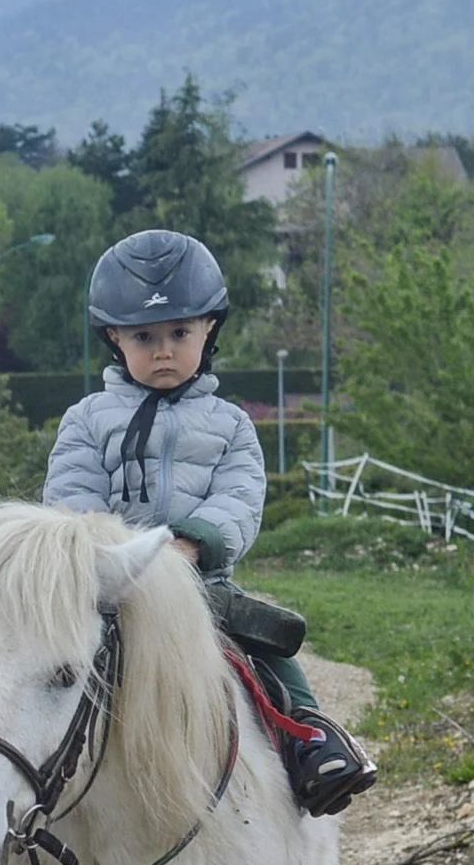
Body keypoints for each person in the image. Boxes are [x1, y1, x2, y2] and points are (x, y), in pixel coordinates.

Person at [42, 228, 376, 816]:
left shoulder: (231, 425)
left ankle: (312, 742)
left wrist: (195, 542)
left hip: (201, 584)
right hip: (111, 590)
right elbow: (71, 502)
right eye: (145, 336)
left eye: (179, 333)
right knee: (38, 664)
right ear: (115, 337)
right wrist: (113, 556)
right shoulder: (86, 421)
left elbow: (240, 498)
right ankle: (26, 769)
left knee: (271, 644)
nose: (164, 350)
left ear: (209, 330)